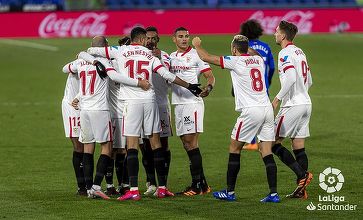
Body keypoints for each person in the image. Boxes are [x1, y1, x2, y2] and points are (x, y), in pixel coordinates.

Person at [86, 27, 202, 201]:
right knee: (156, 143)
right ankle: (162, 187)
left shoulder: (120, 50)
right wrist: (190, 86)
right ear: (141, 40)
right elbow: (167, 75)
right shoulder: (149, 55)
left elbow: (91, 51)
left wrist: (94, 58)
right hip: (150, 101)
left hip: (131, 102)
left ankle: (133, 189)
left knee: (132, 144)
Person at [192, 35, 279, 202]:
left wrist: (197, 45)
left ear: (233, 49)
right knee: (266, 151)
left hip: (251, 111)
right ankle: (273, 193)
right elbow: (254, 54)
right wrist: (245, 47)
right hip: (267, 109)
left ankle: (230, 192)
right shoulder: (258, 61)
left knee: (234, 148)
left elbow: (206, 57)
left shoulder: (235, 60)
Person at [64, 36, 149, 200]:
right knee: (107, 148)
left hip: (84, 110)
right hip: (100, 109)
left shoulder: (80, 62)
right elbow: (116, 77)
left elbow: (65, 69)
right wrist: (139, 83)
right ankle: (96, 186)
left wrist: (81, 55)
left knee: (88, 148)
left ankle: (89, 189)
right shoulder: (106, 62)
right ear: (105, 47)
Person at [170, 27, 215, 196]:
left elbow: (210, 76)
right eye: (180, 37)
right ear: (174, 39)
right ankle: (202, 184)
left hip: (192, 104)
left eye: (186, 36)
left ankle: (197, 186)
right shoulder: (171, 57)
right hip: (178, 104)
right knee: (186, 143)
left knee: (191, 142)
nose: (184, 39)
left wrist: (209, 88)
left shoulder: (196, 55)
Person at [271, 20, 313, 199]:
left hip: (293, 105)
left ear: (283, 35)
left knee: (271, 142)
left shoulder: (284, 53)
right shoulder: (300, 52)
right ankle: (301, 191)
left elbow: (290, 79)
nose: (274, 33)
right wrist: (302, 94)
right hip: (306, 103)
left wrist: (277, 99)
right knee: (298, 146)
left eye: (276, 31)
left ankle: (302, 176)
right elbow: (309, 80)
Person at [141, 26, 173, 196]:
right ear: (143, 39)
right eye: (148, 38)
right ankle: (150, 182)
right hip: (144, 105)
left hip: (161, 105)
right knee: (145, 146)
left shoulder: (165, 56)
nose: (151, 41)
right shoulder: (139, 56)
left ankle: (163, 182)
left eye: (154, 38)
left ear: (158, 40)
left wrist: (159, 58)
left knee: (163, 145)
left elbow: (169, 76)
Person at [239, 19, 275, 150]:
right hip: (262, 85)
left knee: (250, 112)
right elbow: (272, 67)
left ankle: (252, 142)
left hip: (248, 87)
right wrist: (268, 81)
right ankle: (265, 141)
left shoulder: (243, 47)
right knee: (265, 111)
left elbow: (239, 68)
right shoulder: (265, 47)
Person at [60, 57, 86, 196]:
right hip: (72, 107)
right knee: (79, 146)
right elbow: (65, 68)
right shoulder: (80, 63)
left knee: (89, 145)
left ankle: (90, 185)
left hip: (88, 106)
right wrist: (80, 60)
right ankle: (82, 186)